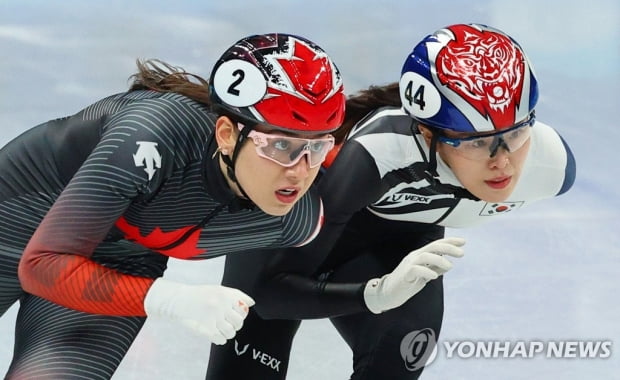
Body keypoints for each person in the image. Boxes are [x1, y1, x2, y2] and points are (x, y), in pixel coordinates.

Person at [206, 24, 576, 380]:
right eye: (476, 142)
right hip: (289, 235)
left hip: (394, 243)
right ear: (427, 134)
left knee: (407, 347)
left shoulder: (551, 165)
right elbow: (268, 295)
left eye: (515, 133)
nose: (502, 160)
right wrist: (373, 295)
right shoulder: (378, 155)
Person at [0, 33, 347, 379]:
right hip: (18, 217)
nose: (300, 170)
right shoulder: (154, 135)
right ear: (227, 134)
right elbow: (42, 264)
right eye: (281, 145)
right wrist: (169, 299)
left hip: (118, 264)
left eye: (316, 148)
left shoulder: (296, 218)